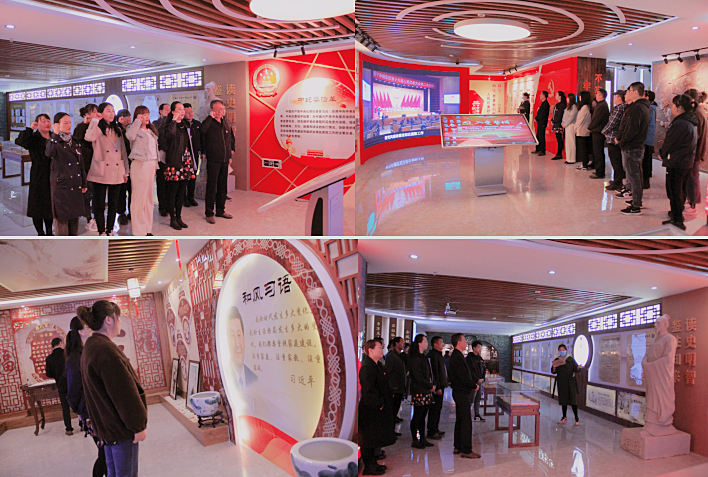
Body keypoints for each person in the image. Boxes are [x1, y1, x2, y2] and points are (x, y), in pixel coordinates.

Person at [79, 301, 147, 477]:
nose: (120, 322)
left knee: (114, 473)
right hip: (119, 429)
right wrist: (138, 426)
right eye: (119, 318)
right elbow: (124, 394)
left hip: (107, 428)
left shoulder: (91, 346)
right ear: (109, 319)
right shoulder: (105, 350)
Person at [66, 315, 107, 477]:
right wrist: (80, 412)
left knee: (106, 452)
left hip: (97, 408)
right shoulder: (75, 358)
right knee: (105, 453)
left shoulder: (87, 351)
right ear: (80, 332)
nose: (91, 329)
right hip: (91, 412)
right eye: (88, 327)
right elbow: (73, 390)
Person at [84, 103, 130, 235]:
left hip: (117, 169)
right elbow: (88, 137)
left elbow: (123, 152)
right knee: (99, 203)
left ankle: (110, 229)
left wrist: (126, 171)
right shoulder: (98, 127)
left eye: (113, 111)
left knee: (113, 203)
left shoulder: (117, 129)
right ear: (101, 113)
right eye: (108, 111)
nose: (111, 113)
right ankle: (101, 230)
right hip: (101, 169)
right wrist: (95, 120)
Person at [659, 94, 698, 231]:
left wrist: (662, 153)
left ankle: (677, 220)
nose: (672, 107)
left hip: (677, 162)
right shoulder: (690, 121)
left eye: (674, 105)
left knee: (674, 191)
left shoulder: (680, 123)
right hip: (685, 161)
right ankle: (676, 213)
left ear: (680, 107)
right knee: (681, 189)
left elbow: (670, 142)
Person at [46, 112, 87, 236]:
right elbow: (49, 153)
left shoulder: (74, 141)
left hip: (75, 183)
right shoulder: (54, 141)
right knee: (62, 219)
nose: (69, 125)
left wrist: (84, 182)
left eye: (69, 122)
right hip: (62, 185)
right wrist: (54, 135)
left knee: (74, 218)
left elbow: (80, 164)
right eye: (65, 123)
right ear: (57, 125)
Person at [358, 339, 395, 476]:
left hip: (378, 408)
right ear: (370, 350)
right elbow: (368, 390)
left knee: (374, 437)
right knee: (369, 438)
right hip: (371, 409)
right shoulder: (367, 367)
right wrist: (379, 404)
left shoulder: (377, 365)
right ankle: (369, 466)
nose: (382, 349)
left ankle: (373, 463)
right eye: (379, 347)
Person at [616, 82, 651, 215]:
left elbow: (631, 130)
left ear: (636, 92)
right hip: (635, 146)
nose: (627, 93)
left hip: (632, 146)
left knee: (634, 176)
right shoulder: (640, 106)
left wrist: (621, 141)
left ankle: (636, 205)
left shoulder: (638, 108)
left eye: (629, 91)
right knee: (635, 175)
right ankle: (636, 201)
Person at [16, 114, 53, 235]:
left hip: (52, 173)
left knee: (49, 204)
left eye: (48, 121)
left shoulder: (53, 136)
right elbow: (20, 141)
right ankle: (40, 233)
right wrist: (30, 129)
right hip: (38, 174)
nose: (47, 123)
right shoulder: (33, 138)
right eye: (43, 121)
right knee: (37, 205)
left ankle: (49, 231)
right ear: (37, 124)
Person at [162, 101, 197, 230]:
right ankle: (172, 218)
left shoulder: (185, 125)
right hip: (174, 162)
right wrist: (174, 121)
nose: (182, 112)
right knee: (173, 192)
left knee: (182, 192)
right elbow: (169, 135)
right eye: (179, 109)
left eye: (183, 109)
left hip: (185, 162)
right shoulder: (169, 125)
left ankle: (179, 217)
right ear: (172, 112)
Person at [125, 105, 159, 236]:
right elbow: (130, 136)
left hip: (151, 164)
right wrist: (137, 122)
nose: (146, 117)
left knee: (149, 198)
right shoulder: (133, 128)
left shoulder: (150, 130)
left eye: (148, 114)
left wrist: (155, 165)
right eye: (143, 114)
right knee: (138, 198)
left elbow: (154, 150)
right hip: (139, 164)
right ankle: (139, 231)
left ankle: (147, 229)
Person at [201, 99, 235, 224]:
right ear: (212, 110)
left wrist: (231, 153)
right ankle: (209, 213)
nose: (220, 111)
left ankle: (220, 210)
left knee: (222, 186)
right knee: (212, 187)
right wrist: (210, 118)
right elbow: (202, 131)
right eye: (218, 109)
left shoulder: (225, 122)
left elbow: (231, 139)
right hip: (213, 159)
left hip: (225, 159)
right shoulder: (208, 123)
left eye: (222, 109)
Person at [448, 333, 480, 459]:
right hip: (461, 392)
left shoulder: (458, 355)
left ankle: (458, 445)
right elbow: (463, 376)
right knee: (466, 421)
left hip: (460, 392)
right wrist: (473, 385)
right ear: (459, 342)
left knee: (461, 419)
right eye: (464, 341)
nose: (466, 343)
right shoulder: (457, 357)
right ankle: (466, 449)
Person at [74, 104, 100, 232]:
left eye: (96, 111)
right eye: (93, 112)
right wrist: (87, 123)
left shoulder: (99, 125)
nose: (96, 114)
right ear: (86, 114)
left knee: (97, 193)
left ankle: (95, 217)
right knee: (87, 192)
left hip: (98, 164)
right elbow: (79, 139)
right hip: (86, 165)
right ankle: (89, 218)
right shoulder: (80, 127)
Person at [408, 334, 435, 449]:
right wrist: (429, 385)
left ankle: (423, 438)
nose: (427, 343)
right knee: (418, 415)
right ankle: (415, 439)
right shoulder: (415, 358)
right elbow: (417, 376)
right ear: (419, 343)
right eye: (425, 341)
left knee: (423, 415)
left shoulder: (423, 357)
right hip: (419, 390)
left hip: (425, 390)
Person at [683, 89, 707, 209]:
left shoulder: (696, 114)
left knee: (693, 178)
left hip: (694, 151)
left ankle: (692, 202)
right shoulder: (699, 112)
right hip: (695, 151)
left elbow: (694, 136)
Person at [45, 337, 73, 436]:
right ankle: (82, 424)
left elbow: (48, 374)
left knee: (65, 407)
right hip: (72, 383)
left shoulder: (49, 358)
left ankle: (69, 429)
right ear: (60, 343)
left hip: (61, 385)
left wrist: (57, 375)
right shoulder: (68, 354)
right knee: (77, 403)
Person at [226, 306, 258, 388]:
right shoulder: (225, 377)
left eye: (239, 335)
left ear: (244, 338)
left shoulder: (254, 378)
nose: (237, 344)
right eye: (232, 336)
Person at [551, 344, 583, 426]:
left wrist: (578, 368)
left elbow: (575, 368)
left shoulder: (570, 359)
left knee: (573, 401)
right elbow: (553, 371)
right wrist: (554, 367)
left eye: (563, 350)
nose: (562, 351)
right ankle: (564, 417)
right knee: (563, 401)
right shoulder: (557, 360)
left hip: (570, 383)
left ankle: (576, 418)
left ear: (566, 350)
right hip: (561, 383)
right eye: (560, 350)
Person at [602, 90, 627, 191]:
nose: (613, 98)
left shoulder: (619, 108)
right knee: (617, 160)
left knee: (615, 161)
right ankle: (617, 179)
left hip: (613, 138)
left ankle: (617, 182)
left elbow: (612, 123)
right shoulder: (624, 107)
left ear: (620, 98)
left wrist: (604, 131)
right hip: (618, 137)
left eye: (615, 96)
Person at [426, 336, 447, 440]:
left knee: (438, 408)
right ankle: (431, 431)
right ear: (435, 344)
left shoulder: (438, 355)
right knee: (434, 409)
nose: (442, 345)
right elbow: (434, 373)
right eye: (441, 343)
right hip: (436, 387)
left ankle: (435, 428)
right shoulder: (432, 355)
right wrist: (437, 387)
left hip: (441, 385)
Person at [182, 103, 202, 208]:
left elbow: (202, 139)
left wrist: (202, 151)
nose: (190, 114)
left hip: (195, 154)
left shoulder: (197, 124)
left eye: (191, 112)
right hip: (185, 155)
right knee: (185, 177)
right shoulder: (181, 125)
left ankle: (191, 197)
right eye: (187, 112)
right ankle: (183, 198)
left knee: (193, 176)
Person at [115, 109, 133, 226]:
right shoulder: (117, 130)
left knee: (132, 190)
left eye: (129, 116)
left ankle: (132, 211)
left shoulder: (132, 129)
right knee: (121, 191)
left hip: (133, 163)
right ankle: (121, 213)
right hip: (121, 163)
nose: (128, 119)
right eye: (125, 117)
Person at [153, 103, 171, 217]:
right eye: (166, 110)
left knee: (170, 183)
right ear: (160, 111)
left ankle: (169, 205)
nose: (168, 112)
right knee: (161, 182)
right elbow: (158, 134)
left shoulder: (172, 123)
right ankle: (162, 206)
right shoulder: (155, 123)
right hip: (160, 156)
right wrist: (165, 119)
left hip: (171, 156)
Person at [588, 89, 610, 179]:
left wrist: (590, 127)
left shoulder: (602, 105)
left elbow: (597, 119)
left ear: (601, 96)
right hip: (597, 131)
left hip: (598, 132)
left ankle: (600, 172)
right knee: (597, 152)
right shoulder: (600, 104)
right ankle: (598, 170)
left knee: (598, 152)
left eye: (597, 95)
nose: (596, 96)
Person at [384, 337, 406, 427]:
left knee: (395, 409)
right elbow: (388, 372)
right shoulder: (392, 356)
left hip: (399, 387)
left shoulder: (399, 356)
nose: (403, 344)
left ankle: (392, 429)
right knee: (392, 411)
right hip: (394, 388)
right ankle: (389, 430)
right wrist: (391, 388)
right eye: (402, 342)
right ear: (396, 343)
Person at [466, 340, 486, 422]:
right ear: (474, 348)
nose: (480, 349)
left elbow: (483, 369)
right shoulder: (469, 358)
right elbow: (470, 371)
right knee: (471, 399)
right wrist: (476, 379)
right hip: (473, 382)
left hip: (480, 382)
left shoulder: (480, 358)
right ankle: (467, 415)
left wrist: (482, 378)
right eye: (478, 347)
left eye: (480, 347)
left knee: (478, 398)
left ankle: (477, 415)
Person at [642, 91, 658, 189]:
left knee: (646, 160)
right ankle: (647, 176)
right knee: (647, 159)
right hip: (649, 138)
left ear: (647, 97)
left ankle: (645, 181)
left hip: (646, 138)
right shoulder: (652, 108)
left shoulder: (649, 109)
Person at [574, 91, 592, 171]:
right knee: (583, 148)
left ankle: (584, 165)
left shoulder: (584, 107)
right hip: (583, 130)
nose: (579, 97)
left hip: (582, 131)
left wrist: (575, 128)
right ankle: (584, 164)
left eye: (580, 96)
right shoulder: (586, 106)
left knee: (583, 149)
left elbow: (579, 120)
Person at [561, 93, 578, 164]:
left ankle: (571, 159)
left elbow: (571, 117)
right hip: (567, 126)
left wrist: (565, 124)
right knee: (567, 142)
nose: (566, 99)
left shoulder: (574, 107)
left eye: (568, 98)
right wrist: (563, 123)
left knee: (571, 142)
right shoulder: (568, 106)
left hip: (571, 126)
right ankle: (568, 158)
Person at [550, 91, 567, 160]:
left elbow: (560, 116)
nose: (555, 96)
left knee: (559, 139)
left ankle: (559, 154)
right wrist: (552, 120)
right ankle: (558, 153)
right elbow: (555, 115)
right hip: (556, 124)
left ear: (560, 96)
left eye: (556, 95)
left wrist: (554, 121)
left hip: (559, 125)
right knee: (558, 139)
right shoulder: (558, 104)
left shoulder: (562, 105)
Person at [533, 91, 550, 156]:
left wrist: (537, 118)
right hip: (540, 122)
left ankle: (542, 150)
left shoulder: (546, 104)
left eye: (541, 94)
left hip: (542, 122)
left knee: (541, 136)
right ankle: (538, 149)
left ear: (544, 96)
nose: (540, 96)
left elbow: (542, 114)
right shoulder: (542, 103)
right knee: (538, 136)